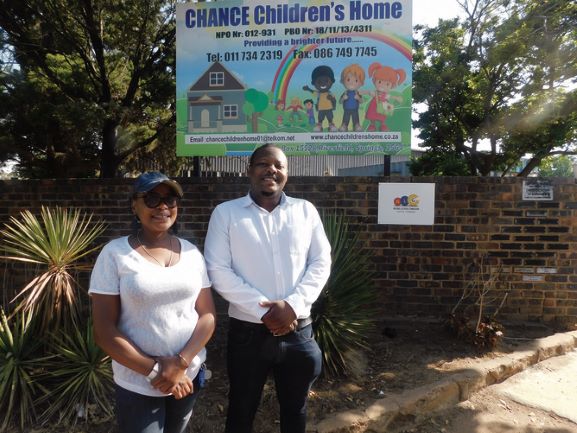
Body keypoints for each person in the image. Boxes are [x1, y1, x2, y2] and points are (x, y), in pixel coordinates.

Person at [204, 144, 332, 433]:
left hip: (298, 331)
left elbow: (321, 261)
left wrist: (293, 306)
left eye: (279, 165)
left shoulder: (305, 211)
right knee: (241, 409)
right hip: (248, 335)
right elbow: (217, 269)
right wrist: (265, 311)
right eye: (263, 163)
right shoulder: (226, 214)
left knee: (296, 409)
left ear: (286, 173)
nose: (271, 170)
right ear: (249, 170)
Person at [89, 171, 216, 433]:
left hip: (187, 376)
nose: (162, 206)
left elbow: (207, 315)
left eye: (170, 199)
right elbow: (103, 331)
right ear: (134, 206)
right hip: (138, 383)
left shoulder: (192, 253)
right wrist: (156, 371)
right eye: (151, 199)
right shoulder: (115, 254)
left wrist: (180, 364)